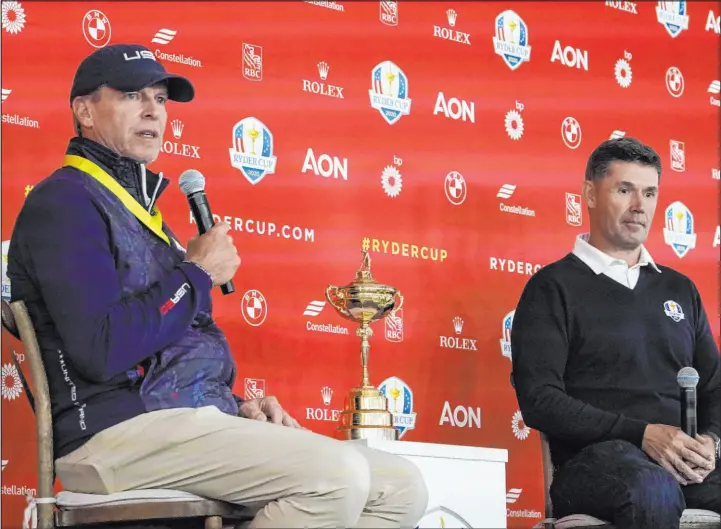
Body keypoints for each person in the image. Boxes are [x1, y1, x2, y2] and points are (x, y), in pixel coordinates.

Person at [7, 44, 428, 528]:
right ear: (84, 110)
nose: (152, 111)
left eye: (161, 99)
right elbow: (101, 349)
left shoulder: (143, 215)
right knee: (336, 475)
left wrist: (236, 407)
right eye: (131, 95)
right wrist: (197, 274)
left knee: (400, 487)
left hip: (180, 423)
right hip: (114, 432)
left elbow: (170, 351)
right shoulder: (64, 201)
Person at [510, 137, 720, 529]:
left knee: (663, 482)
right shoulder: (552, 287)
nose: (639, 206)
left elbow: (714, 387)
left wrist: (711, 441)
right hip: (593, 464)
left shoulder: (680, 289)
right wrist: (643, 434)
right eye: (624, 190)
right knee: (652, 488)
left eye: (650, 193)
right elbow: (539, 399)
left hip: (683, 463)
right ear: (590, 193)